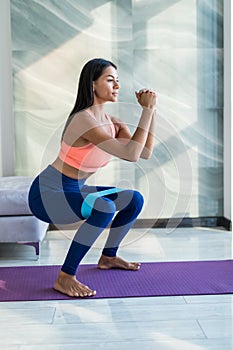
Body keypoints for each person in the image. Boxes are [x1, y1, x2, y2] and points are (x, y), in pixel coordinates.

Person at [28, 58, 156, 298]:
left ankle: (108, 257)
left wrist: (152, 111)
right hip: (47, 194)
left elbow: (143, 153)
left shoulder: (113, 123)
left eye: (118, 80)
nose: (116, 85)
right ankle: (65, 276)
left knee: (133, 199)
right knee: (105, 207)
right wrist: (146, 111)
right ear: (92, 84)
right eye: (110, 80)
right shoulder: (83, 120)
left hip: (75, 190)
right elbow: (130, 154)